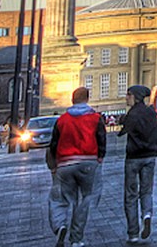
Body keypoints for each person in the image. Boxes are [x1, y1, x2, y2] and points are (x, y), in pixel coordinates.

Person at [47, 86, 106, 247]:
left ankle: (60, 226)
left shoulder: (62, 120)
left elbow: (54, 143)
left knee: (59, 198)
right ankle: (77, 238)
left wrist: (55, 164)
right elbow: (101, 137)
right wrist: (100, 156)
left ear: (72, 100)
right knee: (86, 198)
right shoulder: (95, 118)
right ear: (87, 99)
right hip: (88, 161)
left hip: (65, 163)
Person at [119, 85, 157, 244]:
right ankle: (147, 215)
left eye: (128, 95)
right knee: (146, 191)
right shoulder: (151, 112)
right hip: (150, 156)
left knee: (130, 195)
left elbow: (123, 131)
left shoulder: (133, 113)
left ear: (135, 97)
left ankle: (133, 233)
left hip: (134, 157)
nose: (126, 98)